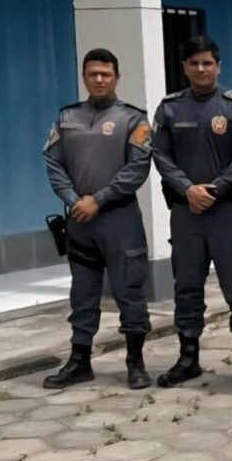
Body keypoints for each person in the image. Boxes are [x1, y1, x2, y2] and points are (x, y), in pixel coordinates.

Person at [152, 36, 232, 389]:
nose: (201, 69)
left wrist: (216, 188)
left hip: (228, 213)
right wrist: (188, 189)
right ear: (184, 67)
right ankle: (188, 359)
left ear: (218, 66)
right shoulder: (169, 108)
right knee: (186, 288)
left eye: (208, 63)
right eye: (194, 63)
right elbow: (161, 155)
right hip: (187, 214)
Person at [41, 49, 153, 390]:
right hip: (80, 221)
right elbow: (53, 163)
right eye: (93, 74)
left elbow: (137, 169)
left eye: (106, 74)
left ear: (117, 77)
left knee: (129, 291)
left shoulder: (134, 119)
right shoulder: (67, 117)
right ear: (84, 77)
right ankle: (79, 361)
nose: (100, 79)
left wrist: (98, 200)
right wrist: (74, 201)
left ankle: (136, 362)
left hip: (119, 220)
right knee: (82, 294)